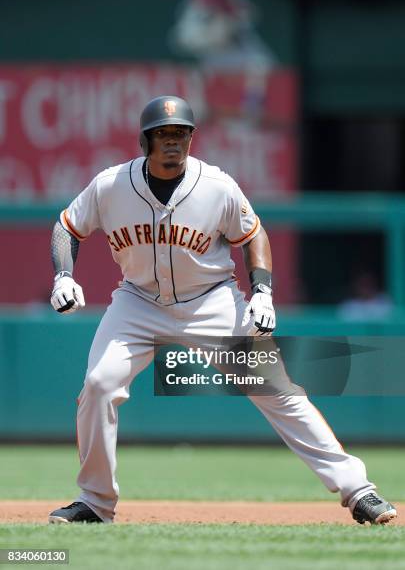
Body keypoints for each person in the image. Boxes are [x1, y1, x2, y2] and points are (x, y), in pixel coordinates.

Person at [48, 95, 396, 525]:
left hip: (211, 300)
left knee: (278, 392)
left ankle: (359, 490)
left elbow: (253, 234)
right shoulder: (111, 185)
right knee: (99, 384)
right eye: (163, 134)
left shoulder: (216, 185)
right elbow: (67, 227)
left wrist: (263, 291)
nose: (173, 143)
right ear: (145, 141)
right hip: (137, 302)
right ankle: (95, 503)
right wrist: (64, 275)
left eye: (181, 134)